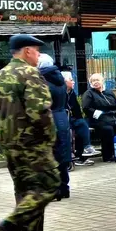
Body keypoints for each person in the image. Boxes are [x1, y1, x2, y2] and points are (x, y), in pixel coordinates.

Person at [0, 34, 59, 231]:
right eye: (37, 51)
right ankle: (13, 223)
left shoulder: (0, 75)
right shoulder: (30, 73)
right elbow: (39, 110)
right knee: (49, 183)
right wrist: (50, 136)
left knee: (24, 188)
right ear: (28, 51)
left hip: (8, 140)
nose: (38, 55)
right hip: (32, 141)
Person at [37, 55, 71, 200]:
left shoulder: (41, 81)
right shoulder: (61, 79)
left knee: (50, 155)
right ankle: (65, 187)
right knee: (62, 153)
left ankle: (54, 189)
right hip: (62, 117)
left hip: (49, 119)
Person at [81, 73, 116, 161]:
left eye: (98, 80)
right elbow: (86, 108)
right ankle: (107, 155)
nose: (96, 82)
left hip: (113, 117)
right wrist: (100, 114)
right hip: (97, 119)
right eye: (93, 80)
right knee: (108, 129)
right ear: (90, 82)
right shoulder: (89, 93)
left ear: (102, 81)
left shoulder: (109, 92)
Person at [64, 72, 97, 166]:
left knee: (82, 124)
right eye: (71, 80)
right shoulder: (61, 93)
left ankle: (86, 148)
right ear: (64, 82)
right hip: (64, 119)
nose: (73, 82)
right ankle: (75, 155)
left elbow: (77, 110)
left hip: (73, 118)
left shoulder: (72, 93)